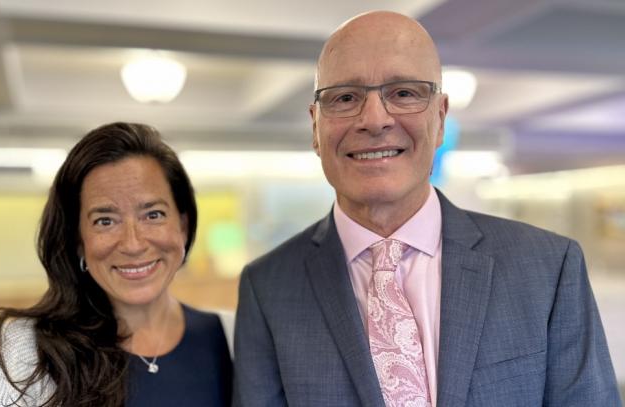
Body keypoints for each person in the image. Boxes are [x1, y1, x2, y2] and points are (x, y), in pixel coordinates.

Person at [233, 10, 621, 407]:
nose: (374, 119)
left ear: (440, 118)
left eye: (403, 93)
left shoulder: (548, 269)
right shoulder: (268, 289)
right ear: (315, 128)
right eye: (345, 97)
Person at [0, 122, 232, 407]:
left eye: (153, 214)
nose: (133, 244)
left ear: (183, 226)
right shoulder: (20, 351)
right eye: (105, 221)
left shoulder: (236, 336)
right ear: (78, 239)